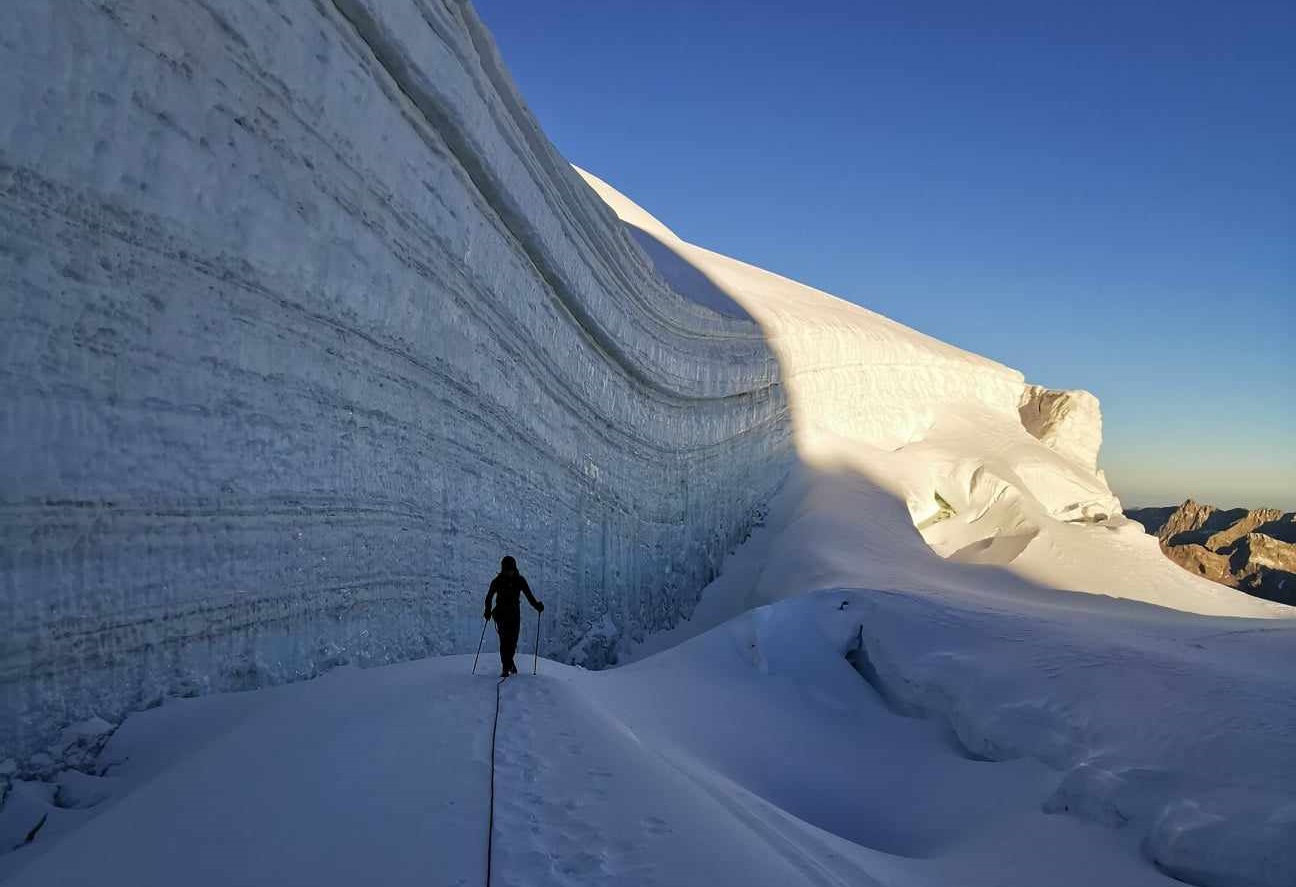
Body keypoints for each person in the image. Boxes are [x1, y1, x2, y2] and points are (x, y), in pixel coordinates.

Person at [484, 556, 544, 677]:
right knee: (505, 641)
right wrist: (487, 610)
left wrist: (537, 605)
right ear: (503, 569)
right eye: (506, 570)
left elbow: (529, 596)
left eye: (510, 569)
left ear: (514, 569)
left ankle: (509, 664)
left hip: (514, 615)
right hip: (500, 615)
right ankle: (506, 668)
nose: (508, 572)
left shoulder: (520, 580)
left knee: (512, 642)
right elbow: (489, 597)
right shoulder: (497, 581)